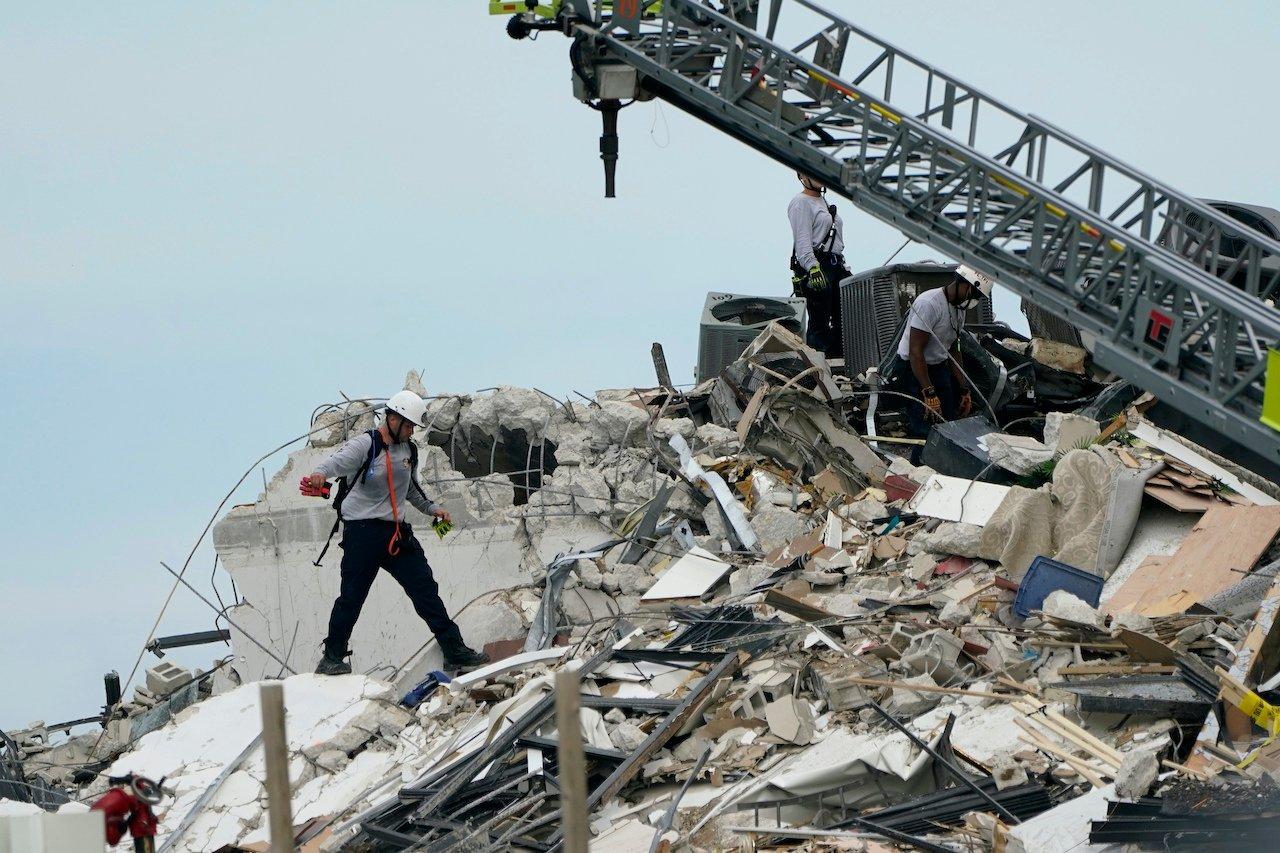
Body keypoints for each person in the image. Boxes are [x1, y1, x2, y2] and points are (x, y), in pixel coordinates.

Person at [301, 390, 490, 675]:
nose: (412, 431)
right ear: (392, 419)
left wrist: (431, 508)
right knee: (351, 597)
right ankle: (332, 657)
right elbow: (333, 464)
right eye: (409, 425)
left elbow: (410, 488)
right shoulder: (365, 445)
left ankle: (454, 650)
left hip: (396, 533)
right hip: (362, 532)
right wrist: (318, 475)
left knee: (425, 589)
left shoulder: (408, 450)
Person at [891, 265, 994, 440]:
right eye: (975, 295)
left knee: (949, 422)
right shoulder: (929, 304)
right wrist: (928, 391)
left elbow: (954, 347)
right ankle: (918, 465)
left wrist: (964, 388)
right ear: (966, 285)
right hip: (914, 368)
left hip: (938, 366)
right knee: (926, 425)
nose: (974, 300)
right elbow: (915, 351)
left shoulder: (958, 309)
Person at [788, 172, 850, 357]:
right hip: (817, 266)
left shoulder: (823, 202)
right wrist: (812, 267)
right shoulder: (800, 202)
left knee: (845, 315)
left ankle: (841, 360)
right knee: (819, 322)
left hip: (835, 265)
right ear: (802, 177)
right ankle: (819, 365)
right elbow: (802, 240)